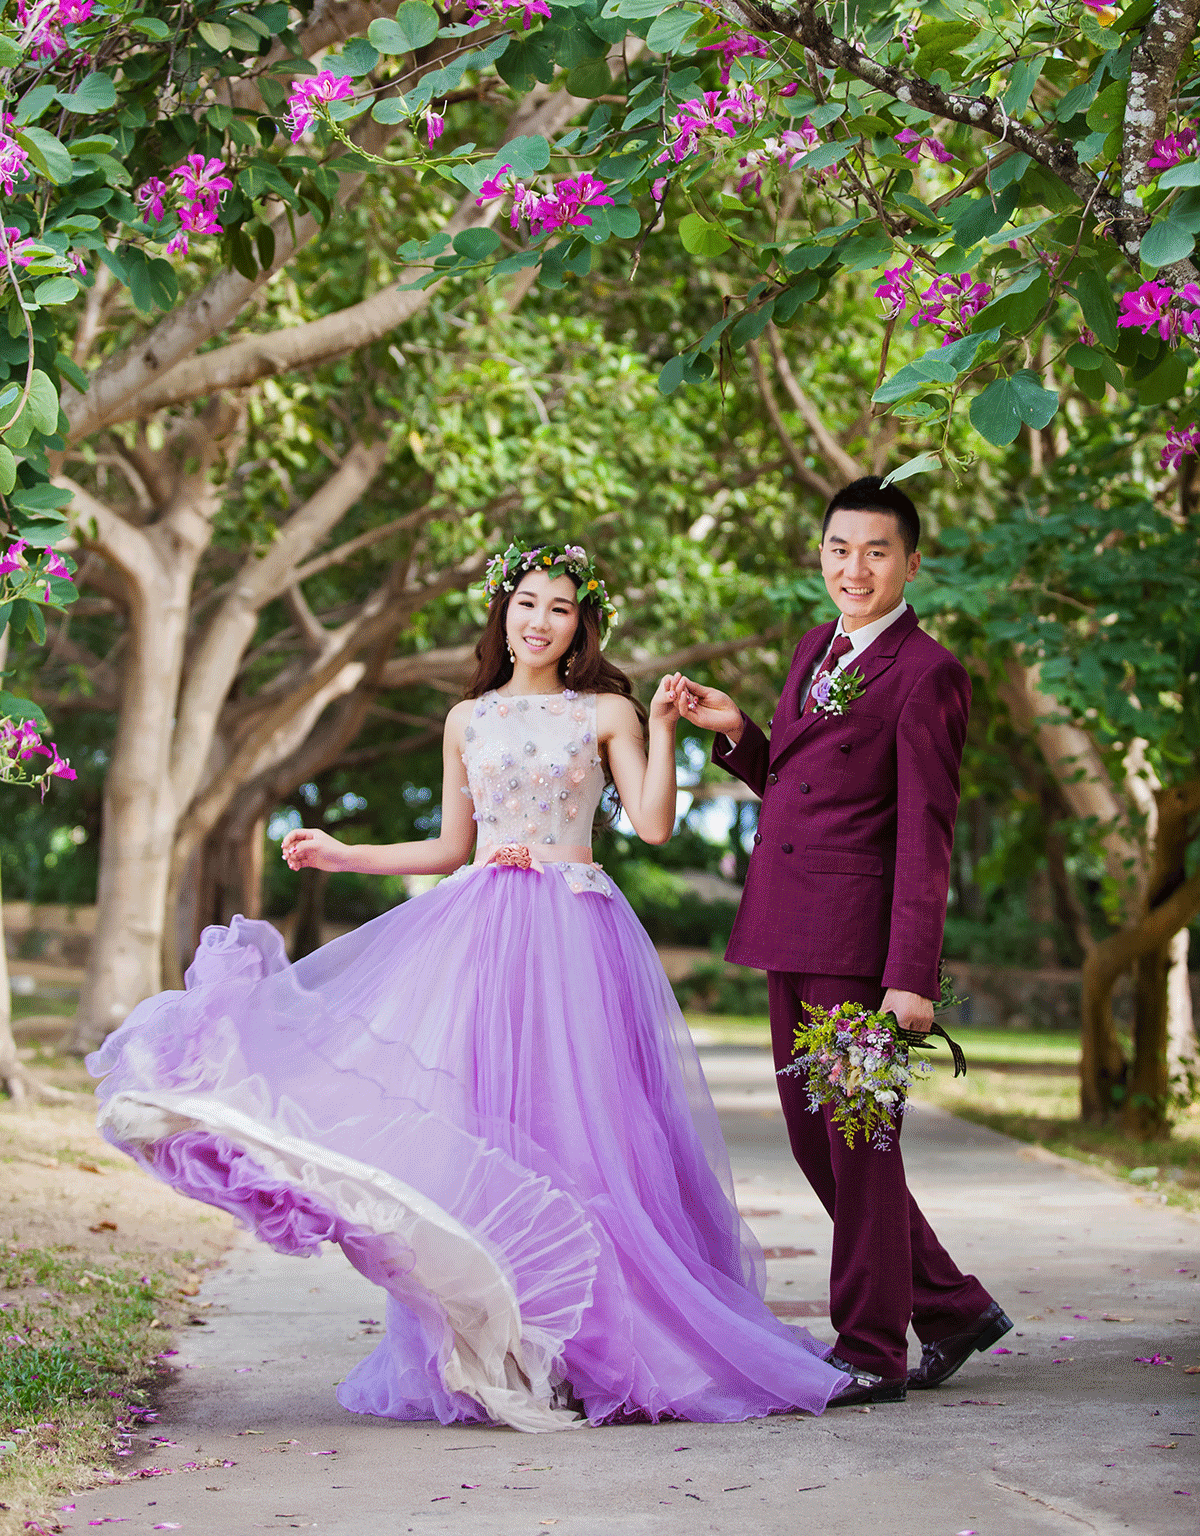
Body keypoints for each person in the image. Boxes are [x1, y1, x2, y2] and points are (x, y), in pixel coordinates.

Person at [88, 540, 854, 1432]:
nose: (540, 620)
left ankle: (594, 1343)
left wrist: (667, 724)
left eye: (560, 607)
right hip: (483, 932)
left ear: (582, 624)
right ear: (503, 611)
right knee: (488, 1124)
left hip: (575, 933)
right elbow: (451, 848)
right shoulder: (468, 720)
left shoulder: (607, 710)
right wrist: (343, 854)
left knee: (585, 1128)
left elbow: (650, 825)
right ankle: (505, 1347)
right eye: (527, 602)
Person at [669, 478, 1012, 1405]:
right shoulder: (814, 647)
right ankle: (954, 1309)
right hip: (789, 925)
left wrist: (911, 975)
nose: (853, 568)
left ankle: (871, 1348)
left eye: (875, 551)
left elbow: (926, 832)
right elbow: (802, 781)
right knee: (816, 1142)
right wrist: (740, 733)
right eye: (838, 549)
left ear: (911, 563)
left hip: (859, 948)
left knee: (860, 1145)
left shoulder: (929, 673)